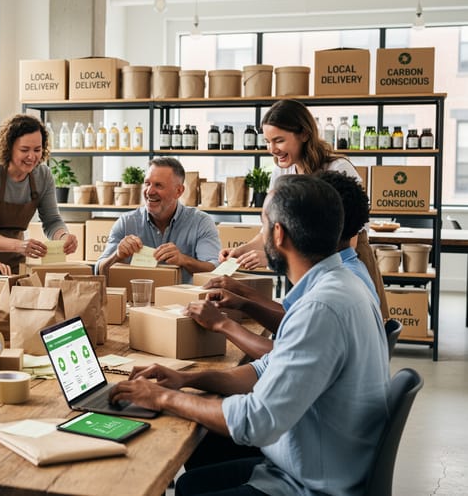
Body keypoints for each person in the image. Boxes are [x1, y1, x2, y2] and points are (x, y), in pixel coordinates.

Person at [110, 175, 391, 496]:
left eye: (262, 226)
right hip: (322, 458)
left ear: (279, 235)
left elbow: (255, 420)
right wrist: (183, 380)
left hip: (312, 483)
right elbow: (267, 368)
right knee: (192, 478)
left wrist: (162, 397)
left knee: (193, 458)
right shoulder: (338, 283)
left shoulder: (321, 307)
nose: (260, 236)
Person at [188, 170, 381, 360]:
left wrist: (223, 324)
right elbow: (294, 322)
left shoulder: (330, 296)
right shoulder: (345, 273)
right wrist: (244, 299)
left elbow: (288, 354)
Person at [222, 99, 360, 270]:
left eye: (279, 140)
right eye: (267, 141)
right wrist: (242, 251)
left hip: (343, 267)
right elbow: (271, 229)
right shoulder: (281, 172)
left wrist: (275, 257)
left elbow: (348, 241)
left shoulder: (337, 170)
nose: (272, 149)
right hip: (306, 268)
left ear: (304, 134)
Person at [0, 114, 78, 273]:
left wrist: (63, 237)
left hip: (13, 257)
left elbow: (52, 221)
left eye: (37, 149)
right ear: (8, 148)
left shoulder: (43, 175)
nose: (32, 156)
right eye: (24, 150)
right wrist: (19, 245)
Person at [96, 157, 219, 283]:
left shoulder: (201, 222)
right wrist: (117, 255)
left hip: (184, 300)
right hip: (135, 301)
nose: (149, 191)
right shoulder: (126, 223)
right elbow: (100, 271)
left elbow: (215, 270)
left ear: (179, 191)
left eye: (158, 185)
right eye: (147, 183)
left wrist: (183, 260)